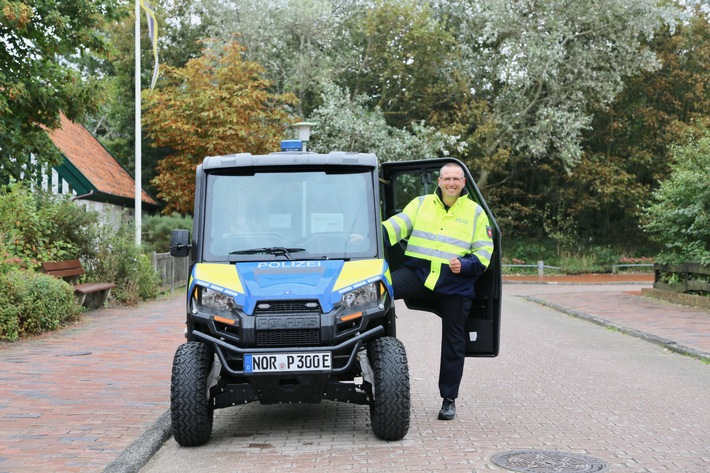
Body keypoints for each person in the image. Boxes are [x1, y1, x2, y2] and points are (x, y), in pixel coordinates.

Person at [382, 162, 494, 420]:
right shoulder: (420, 204)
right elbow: (396, 225)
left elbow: (484, 253)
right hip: (419, 273)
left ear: (464, 183)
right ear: (439, 181)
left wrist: (465, 265)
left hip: (456, 281)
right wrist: (369, 233)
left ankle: (449, 399)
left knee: (455, 339)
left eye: (456, 179)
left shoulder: (475, 212)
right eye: (447, 178)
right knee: (379, 291)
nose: (451, 183)